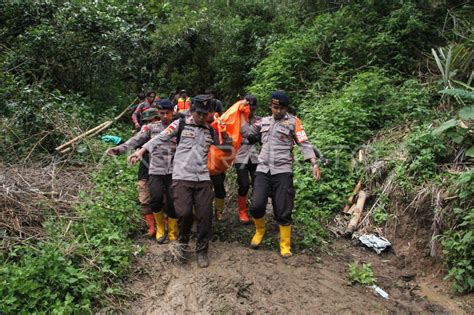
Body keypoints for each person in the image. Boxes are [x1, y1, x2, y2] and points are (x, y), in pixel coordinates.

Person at [128, 95, 231, 268]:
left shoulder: (210, 129)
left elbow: (226, 148)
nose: (201, 116)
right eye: (198, 113)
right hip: (182, 177)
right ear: (192, 111)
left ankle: (201, 250)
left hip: (203, 179)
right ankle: (182, 244)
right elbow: (160, 137)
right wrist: (141, 151)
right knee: (183, 213)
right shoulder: (180, 124)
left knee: (205, 215)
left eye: (205, 114)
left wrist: (225, 134)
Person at [240, 90, 321, 258]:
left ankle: (285, 245)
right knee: (256, 205)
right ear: (270, 106)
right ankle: (260, 230)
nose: (277, 111)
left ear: (286, 108)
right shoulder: (262, 122)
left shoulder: (294, 122)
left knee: (283, 208)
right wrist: (239, 115)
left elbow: (304, 143)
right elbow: (247, 134)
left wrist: (314, 163)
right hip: (263, 169)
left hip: (283, 171)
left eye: (280, 108)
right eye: (274, 107)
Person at [106, 108, 160, 238]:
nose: (148, 123)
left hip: (163, 170)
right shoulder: (144, 132)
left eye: (151, 120)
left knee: (163, 198)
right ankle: (152, 227)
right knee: (144, 198)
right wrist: (119, 148)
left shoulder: (167, 132)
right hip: (145, 170)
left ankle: (164, 228)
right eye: (146, 121)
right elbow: (134, 141)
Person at [234, 95, 260, 224]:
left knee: (257, 184)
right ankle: (242, 211)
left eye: (253, 109)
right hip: (240, 155)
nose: (251, 111)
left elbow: (261, 136)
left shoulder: (259, 120)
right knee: (244, 184)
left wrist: (256, 138)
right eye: (249, 108)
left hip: (255, 155)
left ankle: (255, 211)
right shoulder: (236, 120)